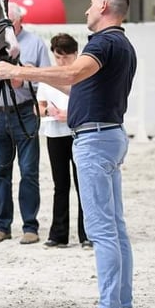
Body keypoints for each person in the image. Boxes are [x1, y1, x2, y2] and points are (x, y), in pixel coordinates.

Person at [0, 0, 137, 308]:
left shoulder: (103, 43)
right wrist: (29, 69)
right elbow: (80, 86)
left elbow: (72, 74)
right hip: (111, 134)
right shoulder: (123, 45)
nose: (87, 11)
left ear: (104, 6)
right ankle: (123, 305)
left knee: (102, 230)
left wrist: (19, 73)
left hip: (95, 139)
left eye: (90, 5)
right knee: (115, 228)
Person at [0, 2, 50, 245]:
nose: (5, 25)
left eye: (10, 21)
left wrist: (25, 81)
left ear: (19, 21)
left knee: (29, 171)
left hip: (24, 111)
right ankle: (2, 226)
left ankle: (30, 226)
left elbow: (46, 78)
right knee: (1, 172)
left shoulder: (35, 43)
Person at [37, 33, 90, 250]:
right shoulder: (49, 76)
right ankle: (59, 234)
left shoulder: (83, 73)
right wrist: (47, 110)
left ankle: (87, 233)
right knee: (60, 185)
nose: (61, 62)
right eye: (58, 58)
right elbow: (38, 107)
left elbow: (89, 103)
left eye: (66, 58)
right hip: (55, 133)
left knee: (82, 185)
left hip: (78, 132)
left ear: (75, 54)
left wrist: (69, 114)